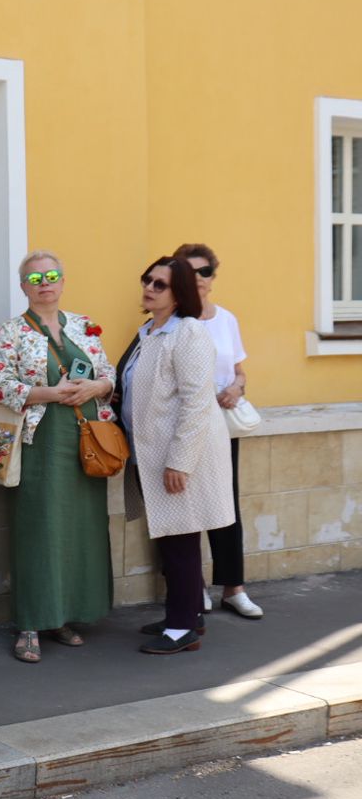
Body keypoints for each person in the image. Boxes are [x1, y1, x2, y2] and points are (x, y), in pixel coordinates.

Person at [0, 251, 116, 664]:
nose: (46, 282)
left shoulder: (82, 325)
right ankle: (30, 622)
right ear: (23, 286)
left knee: (79, 528)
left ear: (63, 282)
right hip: (39, 440)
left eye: (53, 275)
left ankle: (64, 615)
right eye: (36, 277)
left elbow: (107, 372)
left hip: (86, 437)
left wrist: (95, 388)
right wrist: (51, 393)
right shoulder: (12, 332)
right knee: (38, 529)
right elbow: (1, 385)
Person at [113, 257, 235, 655]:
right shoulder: (150, 330)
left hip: (180, 457)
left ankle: (182, 629)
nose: (149, 288)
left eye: (160, 284)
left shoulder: (189, 333)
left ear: (179, 291)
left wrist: (180, 461)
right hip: (152, 454)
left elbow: (196, 403)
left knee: (180, 540)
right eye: (147, 280)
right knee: (172, 539)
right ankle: (184, 617)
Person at [173, 243, 262, 620]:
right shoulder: (171, 321)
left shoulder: (226, 319)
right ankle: (193, 590)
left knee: (227, 506)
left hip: (222, 428)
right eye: (190, 272)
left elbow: (239, 369)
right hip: (186, 428)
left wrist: (238, 387)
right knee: (186, 508)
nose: (199, 279)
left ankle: (233, 588)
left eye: (205, 271)